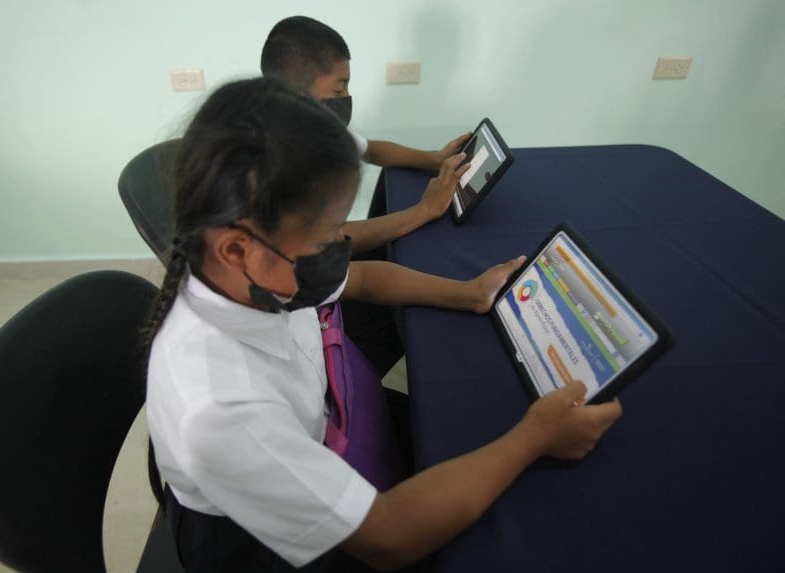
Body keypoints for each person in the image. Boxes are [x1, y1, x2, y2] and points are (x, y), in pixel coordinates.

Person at [145, 77, 623, 572]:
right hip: (259, 548)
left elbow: (362, 279)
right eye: (327, 235)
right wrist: (536, 437)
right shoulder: (223, 408)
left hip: (325, 427)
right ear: (238, 248)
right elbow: (391, 535)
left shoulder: (248, 274)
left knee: (463, 425)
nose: (341, 246)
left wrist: (468, 292)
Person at [261, 15, 471, 376]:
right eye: (339, 89)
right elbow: (356, 271)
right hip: (302, 322)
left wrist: (434, 158)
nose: (347, 99)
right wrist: (424, 211)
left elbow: (371, 149)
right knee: (407, 320)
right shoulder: (286, 169)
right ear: (297, 95)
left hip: (315, 277)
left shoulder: (307, 124)